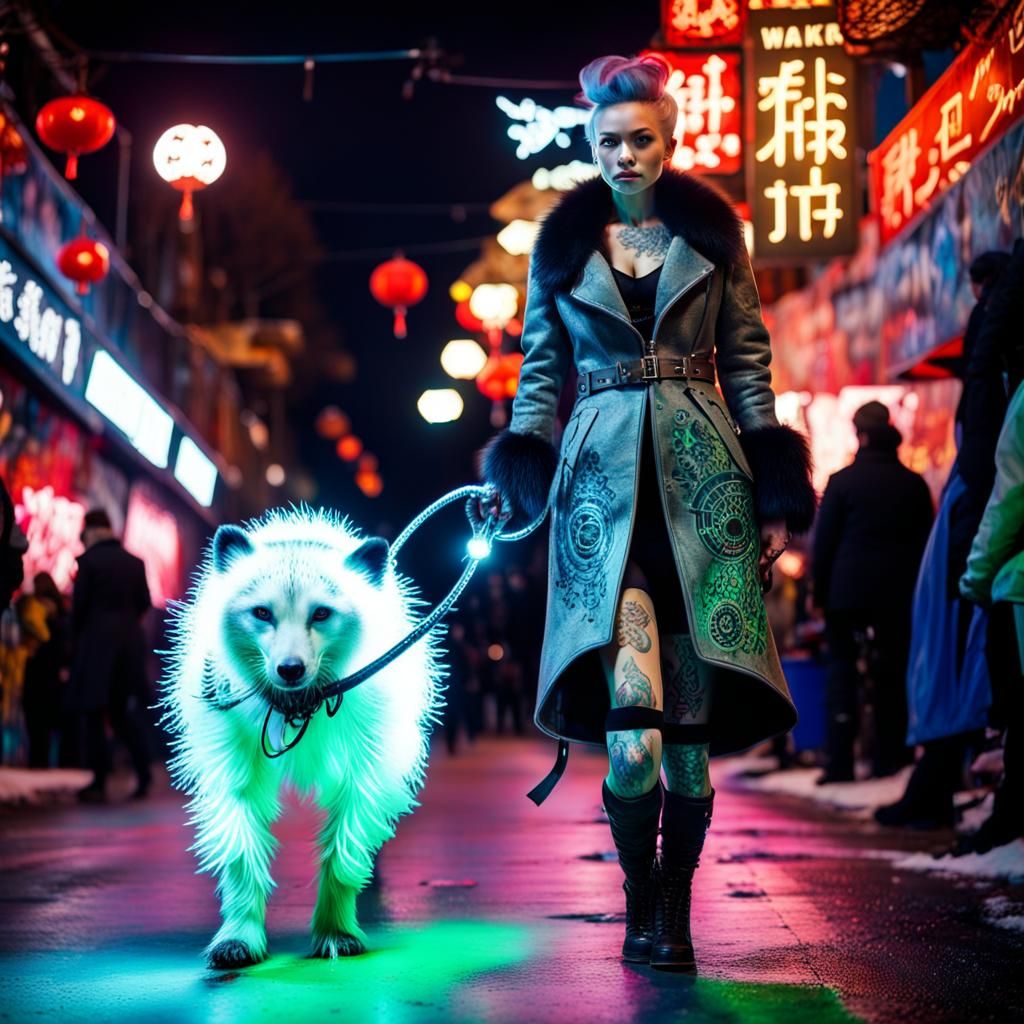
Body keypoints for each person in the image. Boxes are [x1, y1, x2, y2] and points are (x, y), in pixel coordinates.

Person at [480, 54, 815, 971]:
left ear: (668, 141)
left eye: (640, 139)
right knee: (633, 739)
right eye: (607, 142)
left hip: (705, 496)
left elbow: (748, 362)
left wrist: (773, 487)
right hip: (599, 494)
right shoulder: (561, 246)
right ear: (591, 146)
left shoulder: (714, 235)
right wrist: (523, 464)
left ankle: (675, 909)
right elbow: (540, 371)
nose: (623, 155)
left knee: (690, 754)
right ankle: (638, 895)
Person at [875, 252, 1011, 830]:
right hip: (955, 562)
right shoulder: (915, 482)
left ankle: (936, 783)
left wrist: (968, 570)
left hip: (972, 561)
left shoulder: (990, 410)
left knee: (951, 668)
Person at [812, 402, 933, 782]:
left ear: (860, 434)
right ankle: (889, 759)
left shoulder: (842, 482)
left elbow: (824, 544)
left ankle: (839, 763)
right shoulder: (913, 484)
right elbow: (925, 544)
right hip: (897, 597)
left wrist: (818, 593)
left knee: (841, 672)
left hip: (846, 595)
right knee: (892, 674)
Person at [68, 508, 153, 801]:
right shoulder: (135, 562)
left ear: (89, 531)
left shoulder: (89, 561)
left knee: (93, 711)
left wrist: (76, 641)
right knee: (121, 713)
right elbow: (144, 602)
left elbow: (79, 607)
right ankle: (143, 773)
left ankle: (98, 781)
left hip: (97, 646)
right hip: (129, 645)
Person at [22, 573, 72, 768]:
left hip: (37, 671)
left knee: (36, 723)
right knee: (55, 722)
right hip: (54, 674)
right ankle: (62, 763)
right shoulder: (62, 612)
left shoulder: (31, 609)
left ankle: (37, 762)